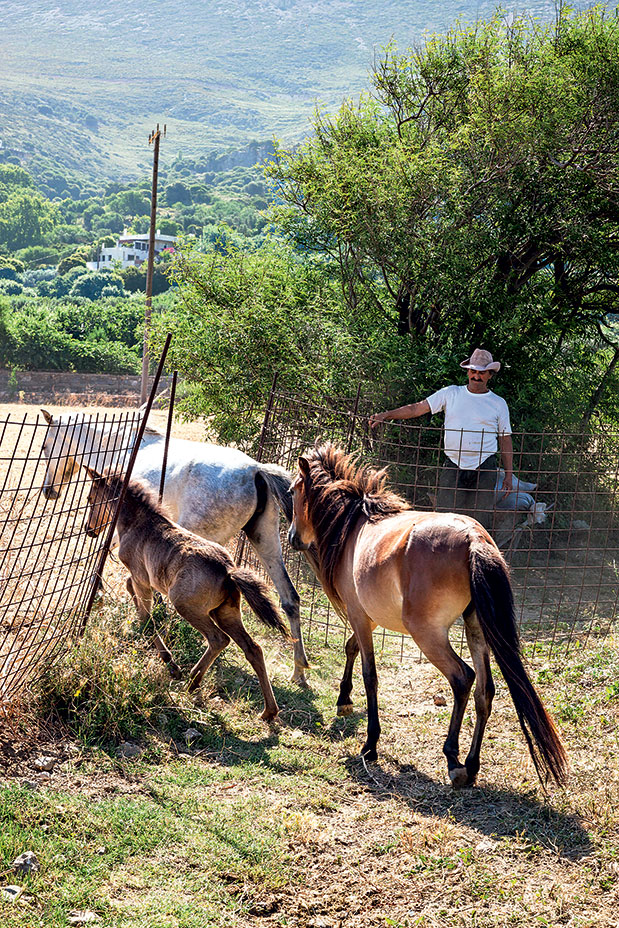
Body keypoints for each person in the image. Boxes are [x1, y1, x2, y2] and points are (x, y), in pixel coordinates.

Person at [369, 348, 513, 528]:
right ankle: (443, 555)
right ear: (468, 372)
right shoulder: (450, 393)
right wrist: (387, 415)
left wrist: (508, 474)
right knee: (446, 517)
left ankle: (477, 555)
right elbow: (417, 408)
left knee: (480, 519)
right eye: (473, 371)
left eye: (482, 373)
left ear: (490, 375)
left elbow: (505, 439)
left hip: (485, 466)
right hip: (453, 463)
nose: (476, 376)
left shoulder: (498, 403)